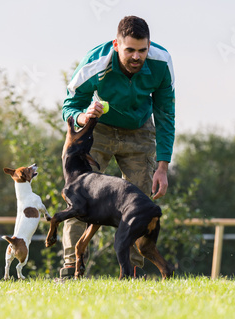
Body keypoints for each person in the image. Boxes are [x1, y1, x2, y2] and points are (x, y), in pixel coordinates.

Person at [59, 15, 175, 278]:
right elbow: (69, 106)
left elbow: (166, 114)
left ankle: (132, 271)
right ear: (116, 45)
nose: (137, 57)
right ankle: (71, 266)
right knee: (79, 195)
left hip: (140, 130)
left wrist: (162, 166)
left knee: (138, 204)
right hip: (98, 129)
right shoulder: (95, 63)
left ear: (149, 46)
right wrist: (83, 116)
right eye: (130, 50)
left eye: (142, 50)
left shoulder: (161, 62)